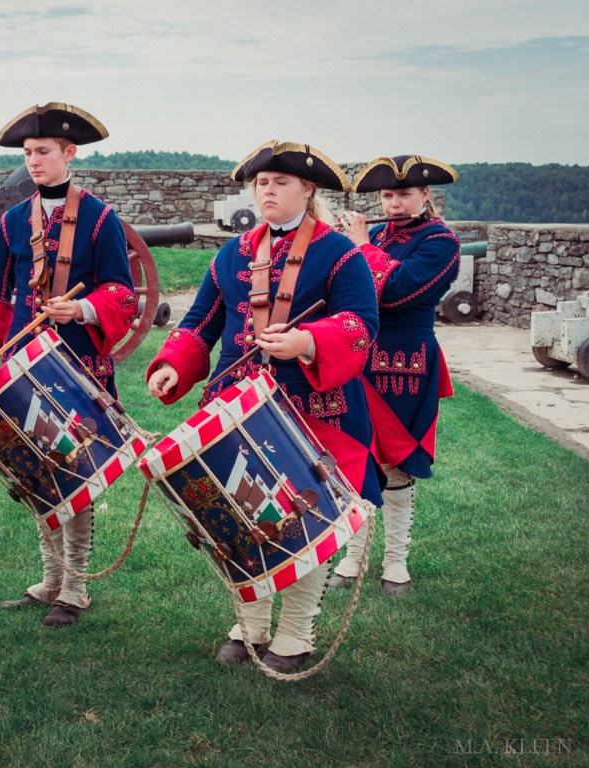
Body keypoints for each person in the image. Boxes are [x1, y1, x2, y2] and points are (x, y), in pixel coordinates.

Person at [146, 140, 383, 672]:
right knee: (239, 516)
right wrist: (173, 364)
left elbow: (362, 325)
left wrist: (307, 342)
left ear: (307, 190)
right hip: (235, 409)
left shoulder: (340, 252)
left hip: (315, 412)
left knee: (308, 523)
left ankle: (295, 634)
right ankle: (249, 625)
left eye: (280, 182)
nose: (268, 191)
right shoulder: (231, 254)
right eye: (261, 183)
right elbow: (200, 323)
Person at [0, 102, 137, 628]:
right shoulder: (12, 221)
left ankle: (76, 587)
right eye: (28, 154)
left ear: (70, 154)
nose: (34, 162)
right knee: (36, 467)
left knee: (76, 472)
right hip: (22, 363)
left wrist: (83, 308)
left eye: (43, 152)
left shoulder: (101, 218)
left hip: (80, 364)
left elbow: (123, 292)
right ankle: (49, 579)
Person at [330, 155, 460, 596]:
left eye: (403, 194)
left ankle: (396, 565)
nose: (394, 203)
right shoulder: (377, 236)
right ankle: (353, 557)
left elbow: (403, 291)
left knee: (397, 463)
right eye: (387, 195)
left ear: (425, 195)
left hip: (407, 363)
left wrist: (361, 246)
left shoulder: (442, 241)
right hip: (358, 358)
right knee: (356, 456)